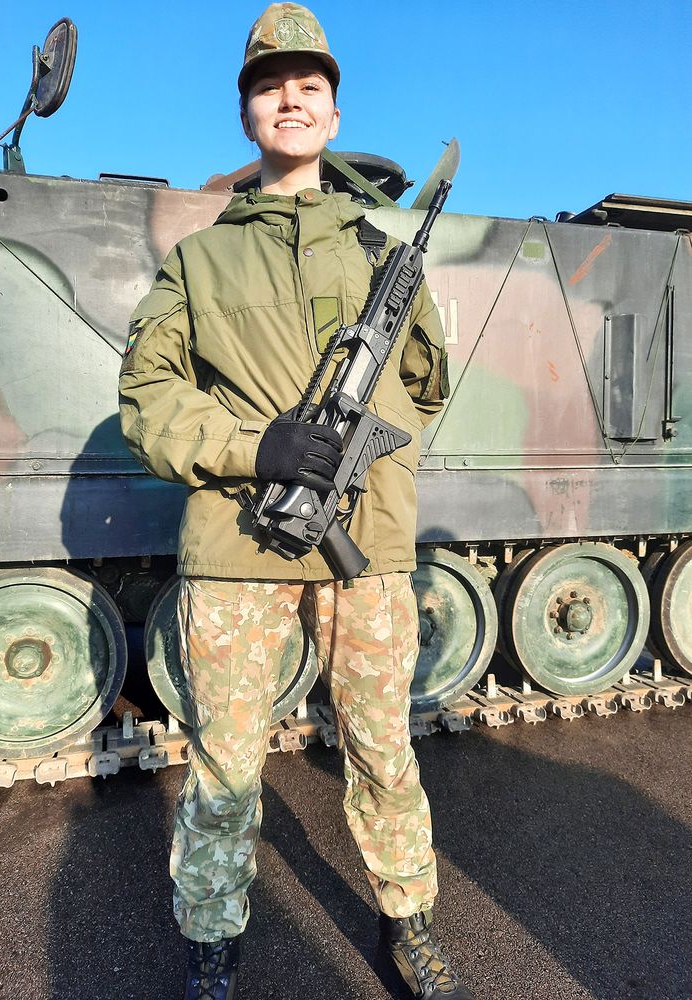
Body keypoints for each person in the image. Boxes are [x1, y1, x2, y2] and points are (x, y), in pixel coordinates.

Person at [118, 5, 472, 998]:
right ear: (247, 114)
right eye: (270, 85)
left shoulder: (383, 254)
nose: (290, 98)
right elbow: (148, 401)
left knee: (384, 749)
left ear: (333, 112)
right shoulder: (197, 262)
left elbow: (425, 389)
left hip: (370, 546)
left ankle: (408, 922)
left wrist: (360, 452)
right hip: (238, 546)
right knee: (227, 767)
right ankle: (212, 943)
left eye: (309, 85)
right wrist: (256, 446)